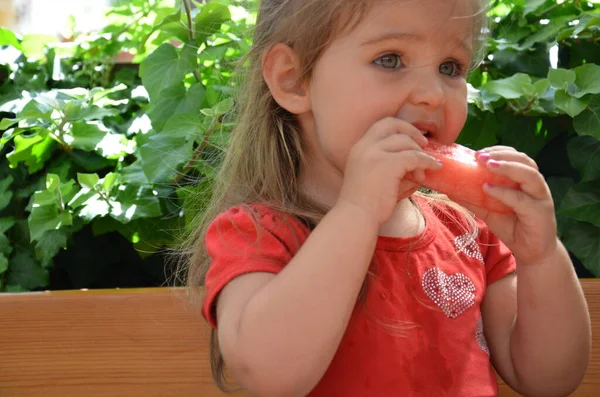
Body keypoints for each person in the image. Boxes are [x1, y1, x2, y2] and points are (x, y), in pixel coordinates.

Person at [177, 0, 592, 395]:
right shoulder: (258, 234)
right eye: (390, 59)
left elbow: (548, 378)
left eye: (451, 67)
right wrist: (357, 211)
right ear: (293, 78)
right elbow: (270, 374)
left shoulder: (469, 233)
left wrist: (539, 256)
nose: (432, 93)